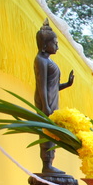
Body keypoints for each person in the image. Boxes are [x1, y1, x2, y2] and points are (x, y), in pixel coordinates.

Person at [34, 19, 74, 173]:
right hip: (46, 102)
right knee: (46, 133)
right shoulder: (41, 60)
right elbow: (41, 85)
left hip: (51, 100)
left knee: (52, 133)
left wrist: (67, 84)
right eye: (55, 43)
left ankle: (50, 163)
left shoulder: (47, 60)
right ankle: (47, 164)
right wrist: (45, 106)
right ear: (45, 45)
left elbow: (53, 86)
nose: (57, 46)